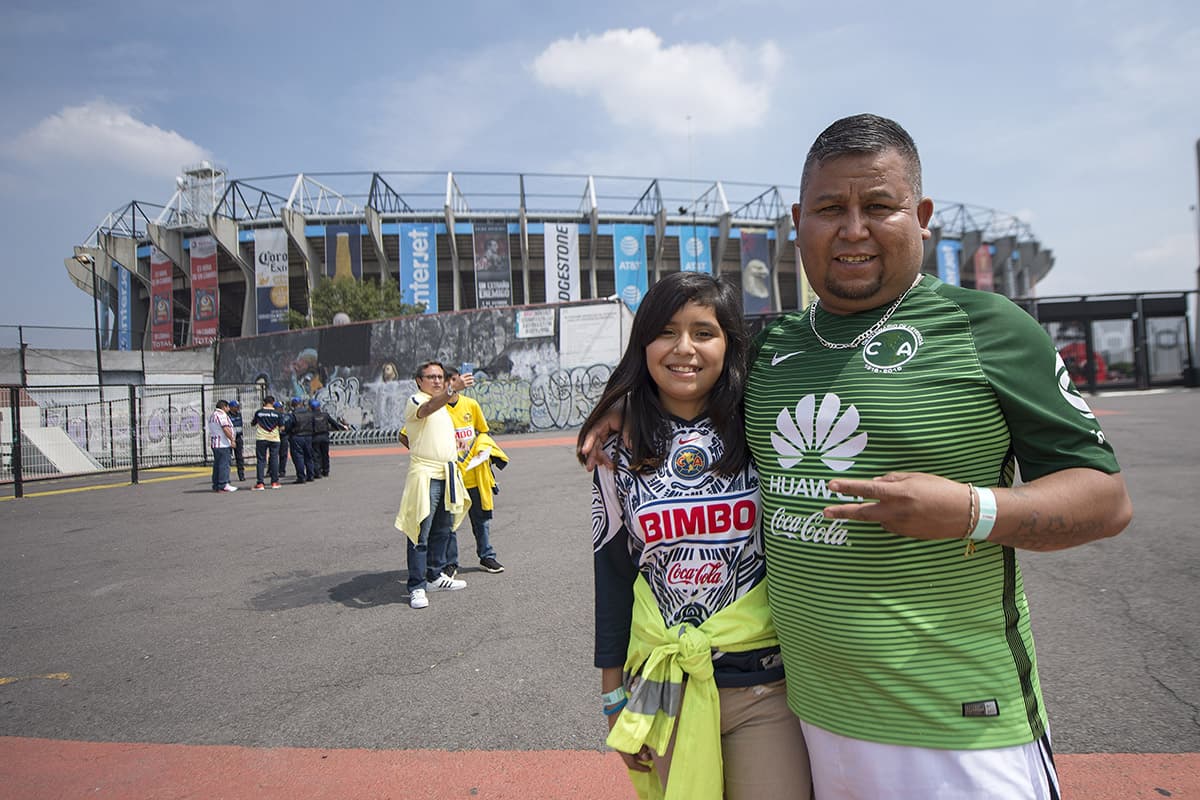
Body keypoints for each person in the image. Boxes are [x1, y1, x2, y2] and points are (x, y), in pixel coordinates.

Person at [583, 113, 1133, 799]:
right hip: (808, 720)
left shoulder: (991, 330)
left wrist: (970, 511)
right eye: (829, 209)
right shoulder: (770, 345)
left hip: (960, 726)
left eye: (878, 206)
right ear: (796, 221)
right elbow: (683, 362)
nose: (853, 229)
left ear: (922, 215)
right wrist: (624, 405)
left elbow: (1105, 500)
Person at [577, 271, 811, 800]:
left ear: (729, 343)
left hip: (764, 684)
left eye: (704, 332)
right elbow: (612, 576)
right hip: (662, 684)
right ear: (644, 345)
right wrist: (613, 694)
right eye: (666, 331)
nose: (684, 348)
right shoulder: (616, 455)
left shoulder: (766, 432)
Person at [393, 361, 471, 609]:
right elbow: (425, 410)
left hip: (446, 472)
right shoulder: (416, 400)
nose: (438, 381)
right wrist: (451, 391)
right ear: (419, 380)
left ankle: (435, 575)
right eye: (432, 377)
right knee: (419, 531)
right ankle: (417, 585)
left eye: (440, 377)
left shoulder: (444, 407)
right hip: (425, 474)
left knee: (443, 529)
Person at [426, 367, 507, 577]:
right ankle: (450, 563)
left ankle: (486, 555)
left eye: (456, 380)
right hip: (452, 478)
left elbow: (483, 431)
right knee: (450, 523)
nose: (454, 384)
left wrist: (482, 450)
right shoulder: (437, 410)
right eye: (449, 381)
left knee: (481, 520)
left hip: (474, 476)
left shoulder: (471, 405)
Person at [250, 396, 285, 490]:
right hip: (274, 438)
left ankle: (260, 483)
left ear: (264, 402)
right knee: (274, 459)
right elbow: (282, 428)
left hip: (261, 438)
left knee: (261, 460)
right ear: (273, 402)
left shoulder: (259, 412)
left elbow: (253, 423)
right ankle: (274, 482)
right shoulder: (277, 413)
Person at [309, 399, 346, 478]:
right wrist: (342, 428)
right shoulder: (325, 415)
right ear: (319, 407)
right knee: (325, 454)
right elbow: (334, 423)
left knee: (316, 455)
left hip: (315, 437)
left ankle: (317, 472)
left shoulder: (310, 416)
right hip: (325, 437)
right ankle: (326, 470)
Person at [207, 400, 238, 493]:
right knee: (224, 464)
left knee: (217, 465)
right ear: (224, 407)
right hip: (222, 443)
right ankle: (223, 484)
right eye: (228, 407)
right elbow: (225, 428)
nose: (229, 409)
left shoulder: (213, 415)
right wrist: (232, 439)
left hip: (216, 443)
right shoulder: (221, 415)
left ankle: (217, 484)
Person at [289, 397, 317, 484]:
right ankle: (311, 475)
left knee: (298, 457)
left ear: (293, 404)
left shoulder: (293, 414)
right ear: (300, 403)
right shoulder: (309, 413)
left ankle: (301, 477)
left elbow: (289, 425)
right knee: (308, 456)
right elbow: (314, 424)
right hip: (308, 436)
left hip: (297, 436)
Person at [227, 399, 246, 481]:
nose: (237, 408)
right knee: (228, 458)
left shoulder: (239, 414)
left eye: (238, 407)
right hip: (230, 438)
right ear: (231, 407)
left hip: (238, 437)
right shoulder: (227, 416)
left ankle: (241, 475)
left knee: (240, 457)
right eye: (236, 407)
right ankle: (227, 476)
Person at [275, 400, 291, 478]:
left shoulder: (286, 416)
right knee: (273, 454)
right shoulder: (273, 416)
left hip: (284, 436)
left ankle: (282, 470)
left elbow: (289, 425)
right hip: (274, 436)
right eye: (277, 408)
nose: (279, 409)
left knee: (283, 454)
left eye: (280, 408)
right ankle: (272, 470)